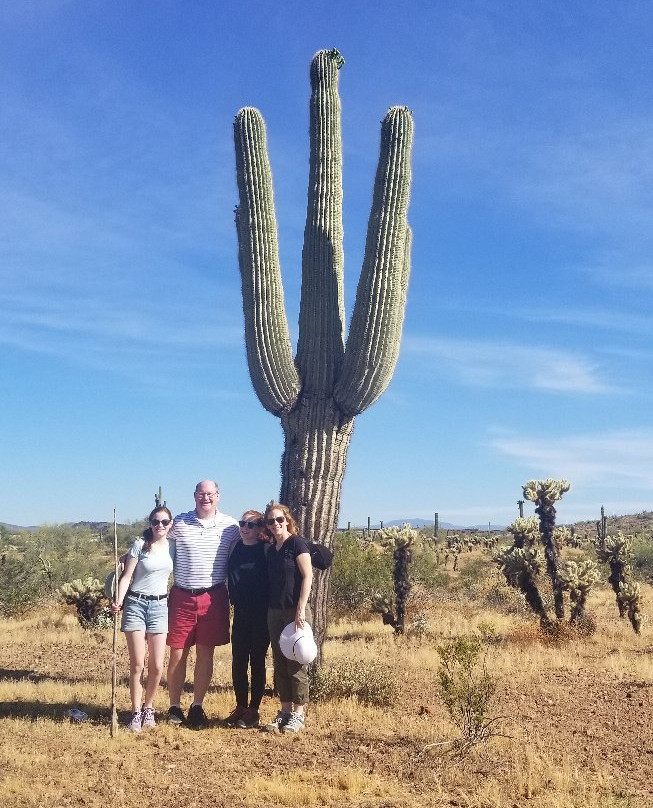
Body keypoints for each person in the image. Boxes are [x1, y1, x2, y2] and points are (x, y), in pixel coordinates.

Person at [166, 479, 239, 729]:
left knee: (205, 652)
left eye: (210, 494)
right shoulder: (179, 523)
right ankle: (174, 707)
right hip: (182, 595)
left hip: (213, 596)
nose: (205, 498)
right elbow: (156, 540)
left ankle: (197, 706)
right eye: (201, 493)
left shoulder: (231, 526)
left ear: (218, 496)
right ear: (194, 495)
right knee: (178, 652)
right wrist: (131, 555)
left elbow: (252, 544)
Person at [111, 505, 174, 732]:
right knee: (137, 663)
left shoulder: (173, 547)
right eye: (156, 521)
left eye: (164, 522)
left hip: (160, 606)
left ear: (170, 524)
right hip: (136, 605)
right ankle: (136, 712)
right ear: (150, 523)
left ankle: (149, 707)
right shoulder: (140, 545)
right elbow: (127, 576)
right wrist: (118, 600)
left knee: (157, 666)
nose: (160, 526)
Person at [263, 502, 313, 734]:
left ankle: (299, 715)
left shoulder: (296, 543)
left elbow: (308, 576)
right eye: (271, 521)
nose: (276, 524)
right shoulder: (272, 549)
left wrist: (300, 608)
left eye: (279, 520)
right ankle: (284, 712)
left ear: (287, 520)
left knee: (296, 663)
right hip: (275, 611)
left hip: (295, 612)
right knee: (280, 662)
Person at [224, 510, 270, 729]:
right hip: (240, 611)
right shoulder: (236, 547)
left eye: (251, 525)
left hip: (261, 613)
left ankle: (254, 710)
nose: (245, 528)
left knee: (257, 661)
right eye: (243, 523)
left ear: (260, 529)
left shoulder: (266, 550)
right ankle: (241, 706)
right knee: (238, 660)